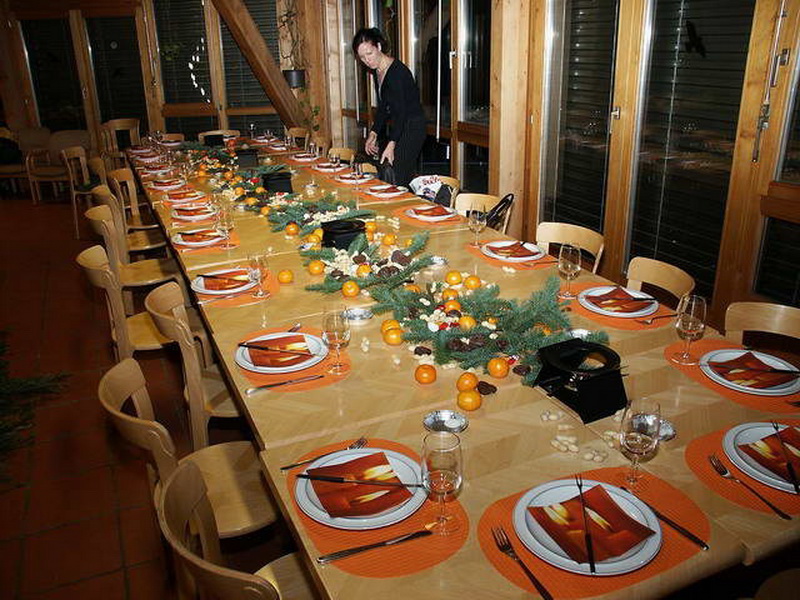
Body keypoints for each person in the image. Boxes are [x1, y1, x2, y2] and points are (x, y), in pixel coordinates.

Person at [352, 28, 426, 187]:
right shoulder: (378, 71)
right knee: (394, 174)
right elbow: (384, 107)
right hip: (401, 125)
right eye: (362, 57)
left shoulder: (396, 73)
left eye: (369, 54)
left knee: (397, 176)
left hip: (412, 127)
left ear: (378, 47)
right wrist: (373, 133)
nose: (367, 61)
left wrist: (392, 144)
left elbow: (401, 112)